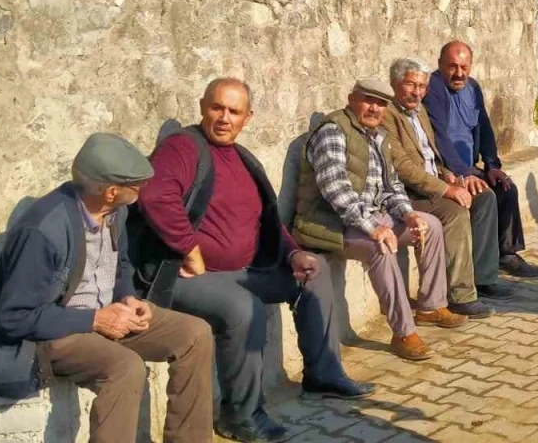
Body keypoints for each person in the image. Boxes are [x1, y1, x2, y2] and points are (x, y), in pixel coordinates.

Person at [135, 78, 373, 443]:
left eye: (234, 111)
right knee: (242, 306)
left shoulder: (244, 158)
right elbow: (155, 195)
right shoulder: (182, 147)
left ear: (248, 117)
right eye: (217, 108)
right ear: (202, 107)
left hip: (246, 271)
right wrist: (188, 247)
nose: (224, 118)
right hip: (189, 277)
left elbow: (268, 220)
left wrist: (293, 253)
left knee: (315, 271)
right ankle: (240, 415)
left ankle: (322, 375)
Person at [0, 133, 214, 443]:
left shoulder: (115, 211)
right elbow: (14, 317)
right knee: (125, 368)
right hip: (55, 332)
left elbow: (121, 265)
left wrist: (128, 298)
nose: (143, 191)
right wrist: (94, 320)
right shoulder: (43, 231)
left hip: (105, 316)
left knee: (195, 334)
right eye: (137, 186)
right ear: (111, 191)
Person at [294, 79, 465, 363]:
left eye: (381, 103)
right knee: (381, 246)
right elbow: (336, 192)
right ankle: (403, 333)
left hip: (371, 215)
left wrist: (408, 214)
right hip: (329, 222)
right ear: (351, 99)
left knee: (430, 225)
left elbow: (391, 187)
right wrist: (374, 228)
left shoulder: (379, 137)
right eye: (368, 100)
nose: (375, 108)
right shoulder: (333, 131)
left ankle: (431, 306)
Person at [384, 57, 514, 319]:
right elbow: (404, 168)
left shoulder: (419, 112)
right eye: (411, 85)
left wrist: (451, 176)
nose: (417, 92)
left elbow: (432, 156)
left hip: (436, 182)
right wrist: (446, 190)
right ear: (395, 84)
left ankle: (483, 277)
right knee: (455, 211)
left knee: (484, 197)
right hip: (410, 194)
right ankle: (460, 295)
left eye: (422, 86)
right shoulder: (388, 116)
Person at [424, 42, 538, 279]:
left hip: (469, 167)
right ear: (439, 64)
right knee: (484, 197)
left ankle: (505, 254)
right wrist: (464, 173)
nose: (459, 73)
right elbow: (439, 136)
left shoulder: (473, 87)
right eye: (452, 66)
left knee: (505, 188)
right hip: (447, 169)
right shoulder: (433, 88)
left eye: (464, 67)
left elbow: (484, 126)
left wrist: (492, 165)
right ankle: (480, 273)